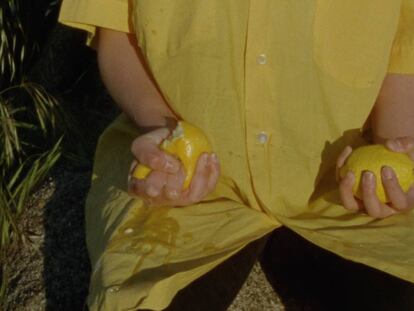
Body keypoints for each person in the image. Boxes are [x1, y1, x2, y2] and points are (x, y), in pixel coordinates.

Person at [59, 1, 414, 310]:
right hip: (183, 187)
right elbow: (117, 32)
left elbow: (403, 48)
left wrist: (392, 149)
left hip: (336, 190)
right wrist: (158, 126)